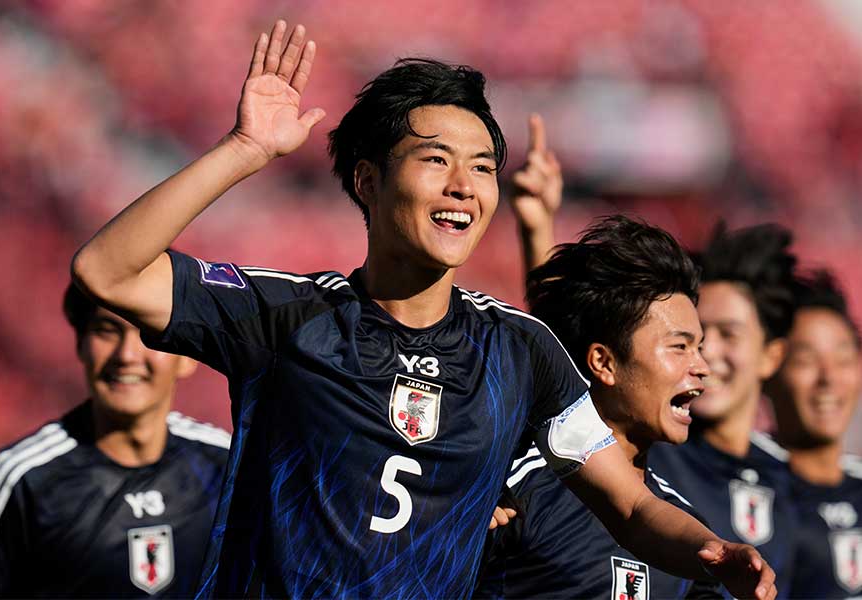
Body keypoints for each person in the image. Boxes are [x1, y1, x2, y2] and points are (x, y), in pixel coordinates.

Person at [70, 20, 776, 599]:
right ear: (369, 181)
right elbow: (107, 270)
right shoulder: (286, 316)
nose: (464, 186)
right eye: (435, 159)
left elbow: (630, 506)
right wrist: (244, 150)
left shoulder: (521, 351)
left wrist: (708, 550)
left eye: (480, 166)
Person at [476, 213, 723, 599]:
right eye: (680, 346)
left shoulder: (688, 535)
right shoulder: (508, 492)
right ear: (604, 363)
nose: (703, 367)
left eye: (700, 348)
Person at [0, 284, 229, 597]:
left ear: (188, 355)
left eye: (150, 333)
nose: (126, 355)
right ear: (81, 344)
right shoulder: (20, 479)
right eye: (106, 330)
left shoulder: (225, 463)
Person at [647, 223, 799, 597]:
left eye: (728, 334)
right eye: (695, 336)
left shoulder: (787, 477)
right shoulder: (650, 450)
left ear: (771, 355)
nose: (707, 352)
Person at [765, 270, 862, 598]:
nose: (828, 378)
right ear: (768, 367)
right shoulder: (744, 493)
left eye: (843, 358)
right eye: (806, 360)